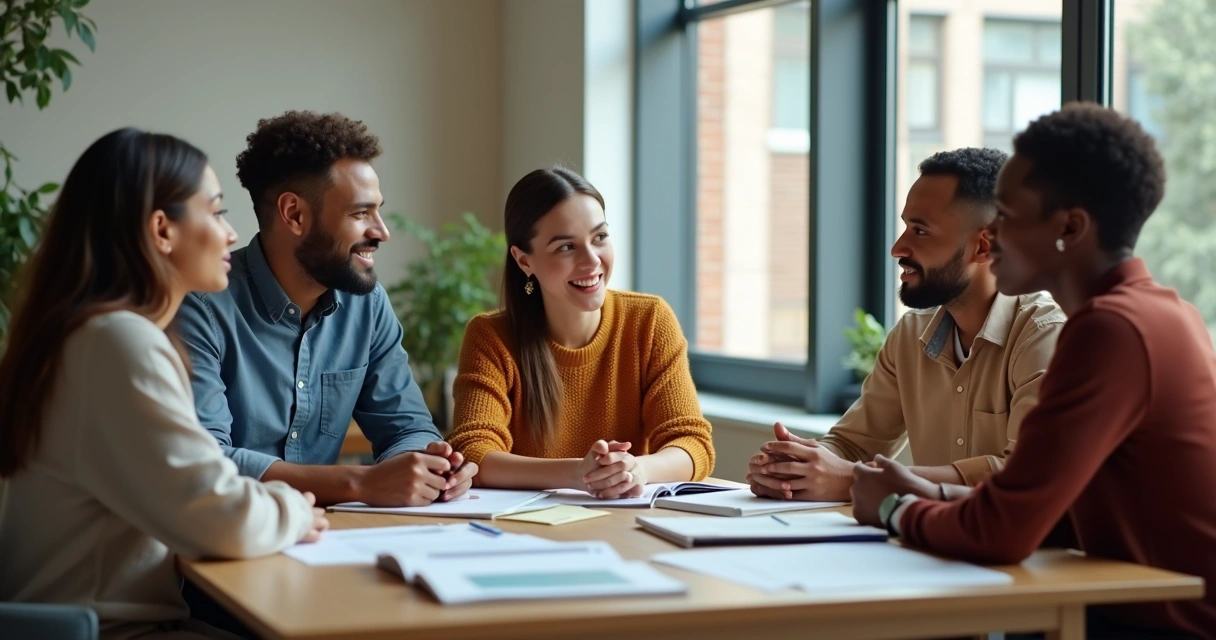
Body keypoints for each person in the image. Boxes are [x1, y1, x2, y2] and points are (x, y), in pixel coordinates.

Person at [852, 103, 1216, 639]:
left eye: (1010, 217)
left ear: (1070, 228)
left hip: (1158, 625)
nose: (990, 239)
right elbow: (1045, 503)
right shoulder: (1154, 312)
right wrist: (926, 494)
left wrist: (891, 505)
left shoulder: (1111, 331)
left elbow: (1004, 532)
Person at [0, 128, 326, 640]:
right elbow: (216, 516)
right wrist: (293, 507)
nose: (232, 233)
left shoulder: (84, 335)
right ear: (162, 230)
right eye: (216, 212)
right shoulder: (117, 343)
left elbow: (194, 489)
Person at [175, 111, 475, 508]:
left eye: (378, 210)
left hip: (323, 541)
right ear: (294, 215)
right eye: (360, 213)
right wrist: (360, 483)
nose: (381, 231)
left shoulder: (366, 304)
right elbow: (206, 461)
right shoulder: (201, 306)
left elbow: (408, 425)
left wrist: (428, 466)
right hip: (223, 547)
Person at [748, 148, 1064, 502]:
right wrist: (794, 469)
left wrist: (853, 479)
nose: (898, 248)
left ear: (983, 246)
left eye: (920, 231)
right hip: (929, 544)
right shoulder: (911, 335)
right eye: (905, 227)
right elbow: (854, 445)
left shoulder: (1048, 337)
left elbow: (1023, 474)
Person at [447, 168, 714, 498]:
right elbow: (474, 452)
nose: (591, 261)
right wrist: (578, 474)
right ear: (523, 260)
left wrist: (635, 470)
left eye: (599, 237)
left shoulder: (649, 321)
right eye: (565, 247)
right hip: (523, 533)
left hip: (624, 526)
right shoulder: (491, 336)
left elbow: (691, 442)